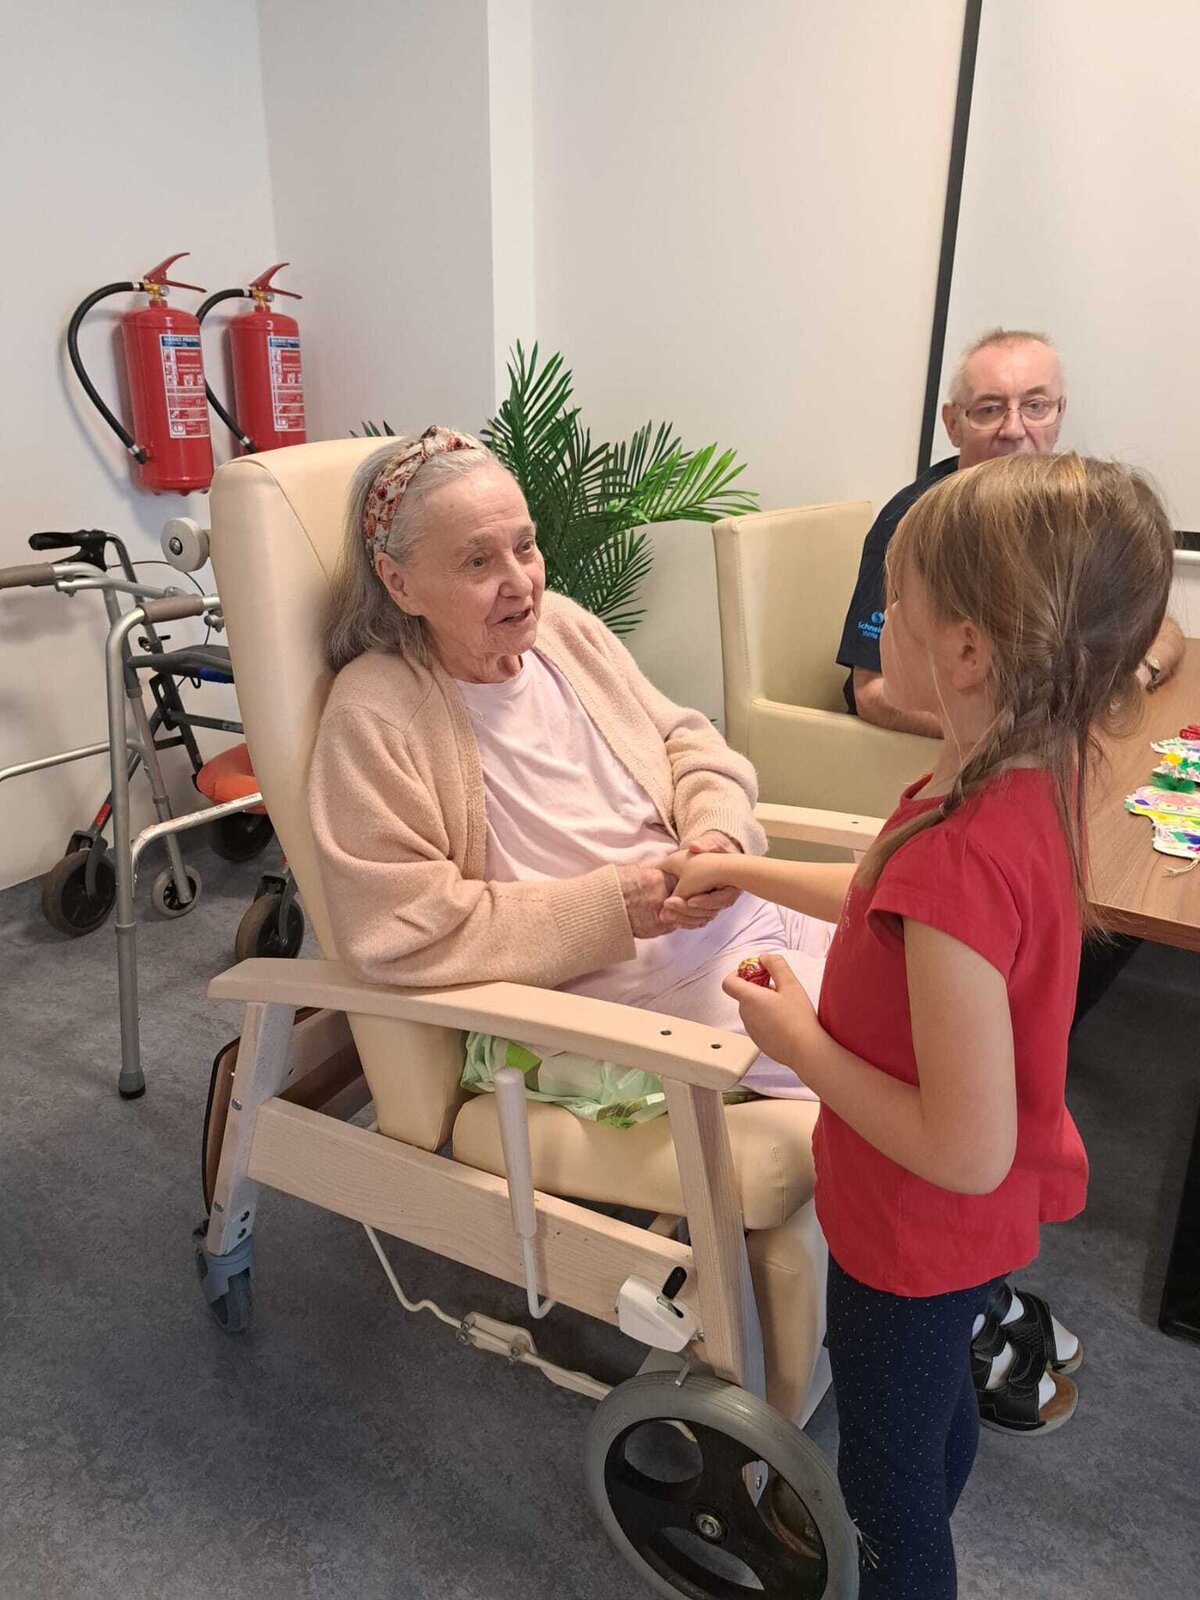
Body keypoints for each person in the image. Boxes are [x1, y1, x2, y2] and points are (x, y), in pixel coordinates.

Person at [664, 453, 1175, 1597]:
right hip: (961, 1230)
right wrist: (741, 867)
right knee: (933, 1416)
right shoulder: (1012, 779)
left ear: (966, 650)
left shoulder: (959, 854)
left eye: (894, 602)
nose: (877, 623)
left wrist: (797, 1041)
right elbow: (877, 888)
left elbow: (961, 1144)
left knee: (885, 1492)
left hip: (909, 1232)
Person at [309, 426, 832, 1108]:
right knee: (905, 1052)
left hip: (745, 914)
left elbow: (687, 741)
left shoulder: (560, 629)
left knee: (941, 973)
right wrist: (613, 908)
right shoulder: (376, 714)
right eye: (477, 562)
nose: (519, 583)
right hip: (637, 994)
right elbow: (397, 929)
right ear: (399, 583)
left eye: (525, 546)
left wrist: (716, 835)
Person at [836, 328, 1182, 732]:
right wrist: (1025, 736)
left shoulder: (1076, 515)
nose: (1014, 429)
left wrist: (1138, 675)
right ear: (953, 424)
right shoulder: (910, 525)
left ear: (1059, 415)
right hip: (948, 751)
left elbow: (1160, 629)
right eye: (989, 409)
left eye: (1035, 406)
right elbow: (871, 693)